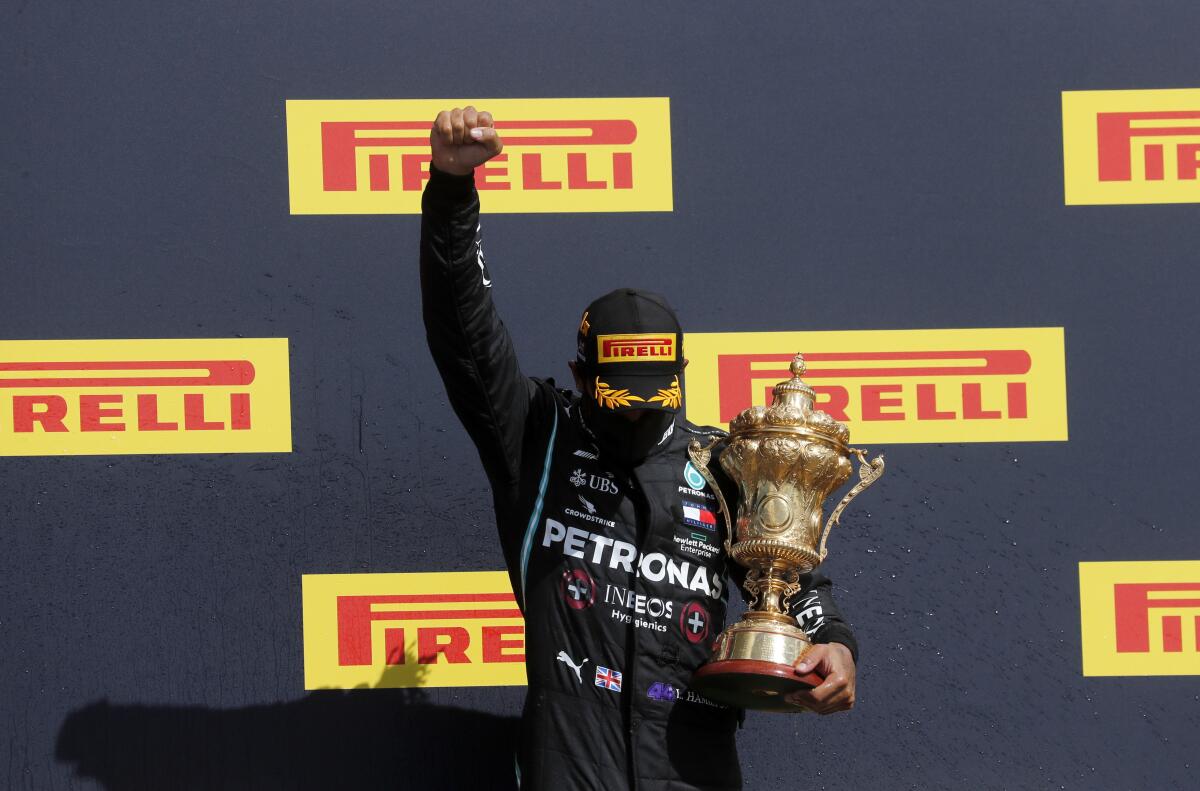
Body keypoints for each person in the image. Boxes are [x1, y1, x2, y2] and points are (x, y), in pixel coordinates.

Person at [420, 106, 858, 791]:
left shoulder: (725, 464)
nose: (635, 415)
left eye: (654, 397)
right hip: (567, 764)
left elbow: (794, 586)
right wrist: (452, 189)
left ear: (680, 381)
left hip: (693, 767)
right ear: (578, 379)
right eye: (615, 396)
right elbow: (463, 329)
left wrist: (832, 640)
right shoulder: (537, 435)